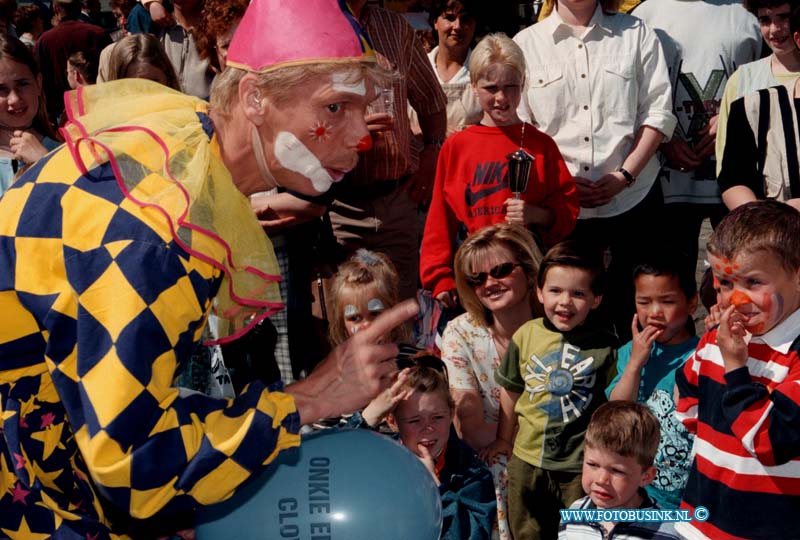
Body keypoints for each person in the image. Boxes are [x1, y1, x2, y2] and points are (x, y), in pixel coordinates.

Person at [0, 0, 418, 537]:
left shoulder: (183, 147)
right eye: (335, 108)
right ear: (254, 98)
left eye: (363, 110)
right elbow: (132, 462)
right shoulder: (158, 228)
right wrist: (310, 398)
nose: (362, 138)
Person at [514, 0, 676, 343]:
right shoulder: (526, 44)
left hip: (634, 199)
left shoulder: (636, 34)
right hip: (563, 210)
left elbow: (658, 112)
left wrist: (624, 176)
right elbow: (522, 129)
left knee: (643, 316)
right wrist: (560, 182)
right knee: (571, 320)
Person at [420, 33, 578, 308]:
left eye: (510, 87)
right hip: (476, 275)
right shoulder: (457, 146)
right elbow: (440, 218)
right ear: (473, 86)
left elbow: (567, 209)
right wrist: (439, 276)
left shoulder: (540, 145)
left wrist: (535, 214)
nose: (501, 98)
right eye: (491, 88)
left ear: (523, 84)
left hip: (529, 274)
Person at [675, 200, 800, 539]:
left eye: (753, 282)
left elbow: (770, 441)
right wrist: (719, 446)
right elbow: (686, 394)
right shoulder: (717, 340)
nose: (735, 300)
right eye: (725, 283)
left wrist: (735, 368)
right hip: (699, 524)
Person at [488, 240, 618, 540]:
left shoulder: (605, 346)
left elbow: (614, 402)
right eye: (555, 291)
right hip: (527, 458)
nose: (565, 302)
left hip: (578, 465)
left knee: (579, 532)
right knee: (527, 531)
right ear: (539, 292)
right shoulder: (526, 335)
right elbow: (510, 392)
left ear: (596, 299)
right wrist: (503, 439)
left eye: (578, 294)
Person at [328, 0, 447, 301]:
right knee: (352, 319)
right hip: (340, 206)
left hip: (397, 200)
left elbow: (431, 101)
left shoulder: (395, 27)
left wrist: (432, 152)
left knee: (402, 312)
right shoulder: (314, 27)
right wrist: (348, 128)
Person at [631, 0, 760, 269]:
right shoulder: (643, 15)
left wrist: (730, 123)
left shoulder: (748, 12)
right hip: (665, 179)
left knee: (743, 271)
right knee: (669, 281)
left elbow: (768, 78)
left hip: (735, 175)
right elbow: (631, 93)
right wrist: (662, 138)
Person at [441, 223, 543, 540]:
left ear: (528, 270)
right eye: (477, 278)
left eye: (500, 270)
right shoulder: (460, 332)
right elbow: (469, 425)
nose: (490, 283)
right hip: (497, 463)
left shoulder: (560, 324)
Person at [348, 355, 497, 540]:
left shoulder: (471, 473)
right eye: (414, 420)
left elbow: (470, 535)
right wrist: (368, 417)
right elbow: (331, 464)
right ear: (393, 421)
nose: (428, 428)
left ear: (451, 414)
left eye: (438, 417)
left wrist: (434, 489)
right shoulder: (379, 456)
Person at [606, 254, 699, 509]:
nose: (655, 313)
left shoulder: (704, 355)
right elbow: (617, 409)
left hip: (684, 496)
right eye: (644, 302)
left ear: (692, 303)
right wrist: (636, 363)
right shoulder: (630, 351)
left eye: (668, 301)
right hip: (634, 493)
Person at [558, 401, 681, 540]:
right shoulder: (575, 513)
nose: (601, 480)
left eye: (617, 471)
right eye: (593, 464)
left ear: (646, 477)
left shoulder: (665, 532)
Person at [718, 7, 800, 211]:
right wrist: (763, 223)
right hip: (766, 226)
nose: (774, 29)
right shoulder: (743, 81)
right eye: (765, 20)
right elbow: (730, 171)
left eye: (783, 17)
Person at [0, 34, 59, 197]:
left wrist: (45, 162)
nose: (15, 99)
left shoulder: (63, 151)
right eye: (1, 90)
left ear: (38, 83)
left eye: (22, 84)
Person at [35, 0, 110, 121]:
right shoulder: (98, 33)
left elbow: (40, 79)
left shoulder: (45, 40)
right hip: (98, 105)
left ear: (56, 9)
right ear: (80, 8)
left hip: (63, 111)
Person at [329, 248, 411, 346]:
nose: (366, 326)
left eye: (375, 314)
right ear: (342, 325)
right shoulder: (340, 361)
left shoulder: (406, 359)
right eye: (354, 318)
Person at [424, 0, 482, 136]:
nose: (457, 26)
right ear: (435, 22)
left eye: (465, 19)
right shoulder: (417, 68)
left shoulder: (485, 71)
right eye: (450, 18)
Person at [106, 33, 181, 90]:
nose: (145, 91)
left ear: (168, 79)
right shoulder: (108, 110)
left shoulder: (185, 109)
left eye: (153, 83)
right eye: (134, 86)